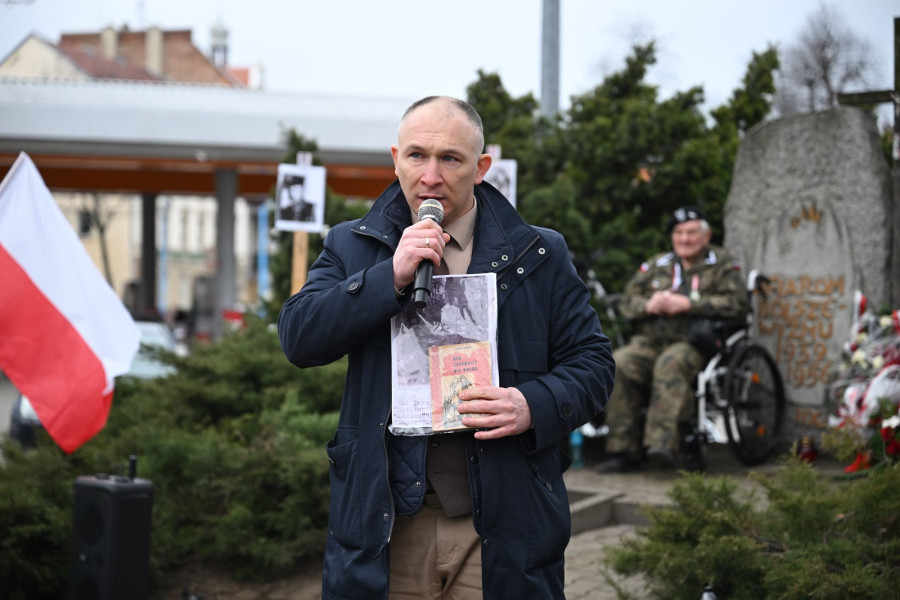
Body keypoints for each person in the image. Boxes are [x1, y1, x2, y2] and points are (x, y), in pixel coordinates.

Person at [278, 96, 614, 600]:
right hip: (386, 526)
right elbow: (299, 337)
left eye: (450, 159)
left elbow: (594, 364)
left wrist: (532, 405)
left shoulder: (538, 253)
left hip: (499, 524)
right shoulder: (353, 245)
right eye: (416, 156)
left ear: (481, 168)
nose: (430, 176)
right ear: (395, 158)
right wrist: (387, 276)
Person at [596, 206, 748, 473]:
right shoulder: (658, 264)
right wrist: (648, 305)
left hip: (693, 342)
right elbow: (627, 302)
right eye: (679, 233)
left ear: (706, 235)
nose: (685, 239)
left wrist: (690, 304)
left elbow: (737, 304)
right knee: (619, 362)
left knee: (671, 363)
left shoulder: (722, 264)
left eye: (691, 233)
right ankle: (623, 449)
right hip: (650, 340)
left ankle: (662, 446)